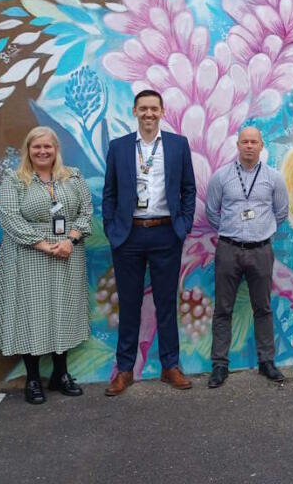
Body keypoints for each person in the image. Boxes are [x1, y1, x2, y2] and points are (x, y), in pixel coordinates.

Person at [102, 89, 197, 396]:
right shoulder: (118, 147)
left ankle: (171, 366)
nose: (148, 113)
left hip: (165, 232)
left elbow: (188, 189)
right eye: (143, 108)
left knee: (166, 302)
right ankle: (125, 369)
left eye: (153, 108)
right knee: (128, 303)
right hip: (128, 235)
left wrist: (181, 226)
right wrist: (111, 228)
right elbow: (110, 193)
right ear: (134, 111)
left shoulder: (177, 145)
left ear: (162, 111)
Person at [0, 127, 92, 404]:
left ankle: (61, 373)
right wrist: (44, 244)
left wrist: (70, 240)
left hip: (68, 253)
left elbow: (86, 212)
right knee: (32, 312)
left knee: (63, 310)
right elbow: (9, 217)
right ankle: (33, 379)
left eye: (48, 146)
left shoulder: (73, 177)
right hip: (29, 254)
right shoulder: (15, 180)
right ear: (28, 150)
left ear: (56, 149)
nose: (42, 151)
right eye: (36, 147)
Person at [204, 127, 288, 387]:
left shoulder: (274, 178)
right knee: (223, 309)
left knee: (262, 307)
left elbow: (281, 212)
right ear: (237, 145)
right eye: (244, 142)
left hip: (261, 250)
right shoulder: (221, 177)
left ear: (262, 145)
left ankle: (266, 361)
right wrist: (232, 230)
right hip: (228, 249)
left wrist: (260, 230)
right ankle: (219, 365)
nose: (249, 146)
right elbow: (211, 212)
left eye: (254, 142)